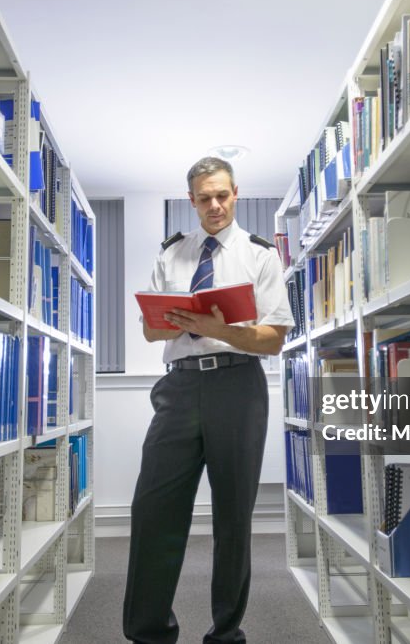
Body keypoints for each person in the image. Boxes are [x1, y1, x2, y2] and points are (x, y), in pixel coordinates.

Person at [123, 157, 294, 644]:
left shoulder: (259, 255)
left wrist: (221, 331)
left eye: (221, 195)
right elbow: (151, 329)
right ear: (192, 200)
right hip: (178, 387)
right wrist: (172, 321)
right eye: (203, 197)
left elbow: (274, 338)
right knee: (153, 507)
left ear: (235, 193)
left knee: (233, 513)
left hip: (237, 385)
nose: (214, 205)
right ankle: (148, 632)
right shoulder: (173, 253)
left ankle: (225, 633)